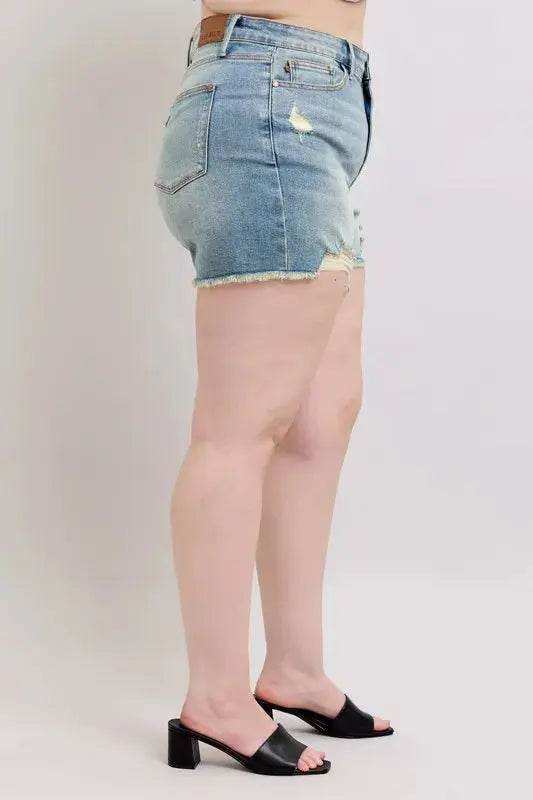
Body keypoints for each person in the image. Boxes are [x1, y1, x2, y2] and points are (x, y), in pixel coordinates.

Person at [155, 1, 393, 777]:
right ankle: (216, 698)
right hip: (271, 96)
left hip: (319, 101)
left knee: (321, 419)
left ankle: (293, 669)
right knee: (237, 429)